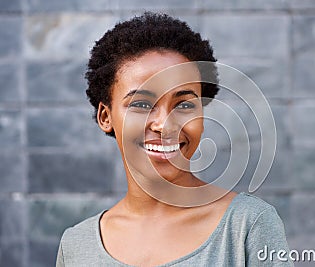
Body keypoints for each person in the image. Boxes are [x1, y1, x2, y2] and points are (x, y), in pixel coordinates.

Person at [56, 12, 292, 266]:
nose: (164, 124)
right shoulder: (76, 246)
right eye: (142, 104)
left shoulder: (248, 226)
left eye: (184, 105)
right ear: (106, 116)